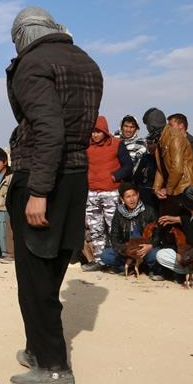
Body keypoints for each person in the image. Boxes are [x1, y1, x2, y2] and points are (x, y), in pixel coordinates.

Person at [6, 6, 103, 384]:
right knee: (53, 268)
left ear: (24, 34)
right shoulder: (87, 61)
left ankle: (54, 364)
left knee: (34, 279)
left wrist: (38, 191)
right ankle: (36, 347)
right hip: (76, 178)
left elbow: (49, 130)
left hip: (42, 176)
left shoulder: (33, 64)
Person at [83, 115, 133, 271]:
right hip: (91, 192)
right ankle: (99, 260)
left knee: (114, 228)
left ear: (105, 131)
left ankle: (117, 261)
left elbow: (128, 166)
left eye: (98, 131)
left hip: (111, 191)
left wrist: (115, 176)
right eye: (92, 132)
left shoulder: (117, 144)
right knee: (95, 228)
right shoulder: (86, 146)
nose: (95, 135)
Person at [100, 182, 162, 278]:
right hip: (128, 249)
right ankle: (132, 267)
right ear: (122, 199)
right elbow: (114, 236)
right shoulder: (119, 213)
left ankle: (143, 267)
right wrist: (126, 250)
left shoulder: (149, 211)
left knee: (156, 255)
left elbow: (158, 234)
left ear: (138, 195)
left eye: (134, 195)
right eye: (128, 197)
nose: (132, 199)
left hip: (145, 249)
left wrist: (150, 245)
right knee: (105, 255)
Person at [154, 115, 193, 216]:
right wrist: (156, 188)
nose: (167, 127)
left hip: (183, 191)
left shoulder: (190, 143)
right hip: (173, 190)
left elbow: (179, 169)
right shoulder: (163, 141)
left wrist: (168, 190)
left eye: (170, 125)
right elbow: (161, 167)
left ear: (181, 126)